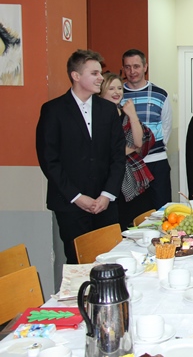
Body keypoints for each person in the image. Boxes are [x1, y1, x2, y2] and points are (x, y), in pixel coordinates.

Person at [36, 50, 125, 264]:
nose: (101, 78)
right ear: (76, 76)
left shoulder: (108, 110)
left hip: (105, 203)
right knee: (78, 263)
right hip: (70, 205)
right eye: (94, 73)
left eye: (100, 73)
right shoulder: (53, 110)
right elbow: (49, 160)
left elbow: (118, 156)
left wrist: (107, 194)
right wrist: (77, 196)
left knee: (109, 263)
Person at [100, 73, 155, 230]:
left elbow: (138, 143)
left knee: (141, 224)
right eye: (111, 88)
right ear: (101, 91)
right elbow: (102, 150)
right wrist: (124, 150)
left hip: (133, 177)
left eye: (119, 88)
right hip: (108, 179)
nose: (117, 92)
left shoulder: (125, 114)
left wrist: (132, 115)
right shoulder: (97, 116)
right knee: (116, 227)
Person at [121, 49, 172, 209]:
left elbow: (166, 126)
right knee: (133, 213)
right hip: (128, 164)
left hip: (156, 162)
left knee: (162, 210)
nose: (132, 71)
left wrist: (151, 147)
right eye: (127, 67)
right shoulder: (117, 94)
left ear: (145, 67)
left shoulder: (160, 94)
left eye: (136, 66)